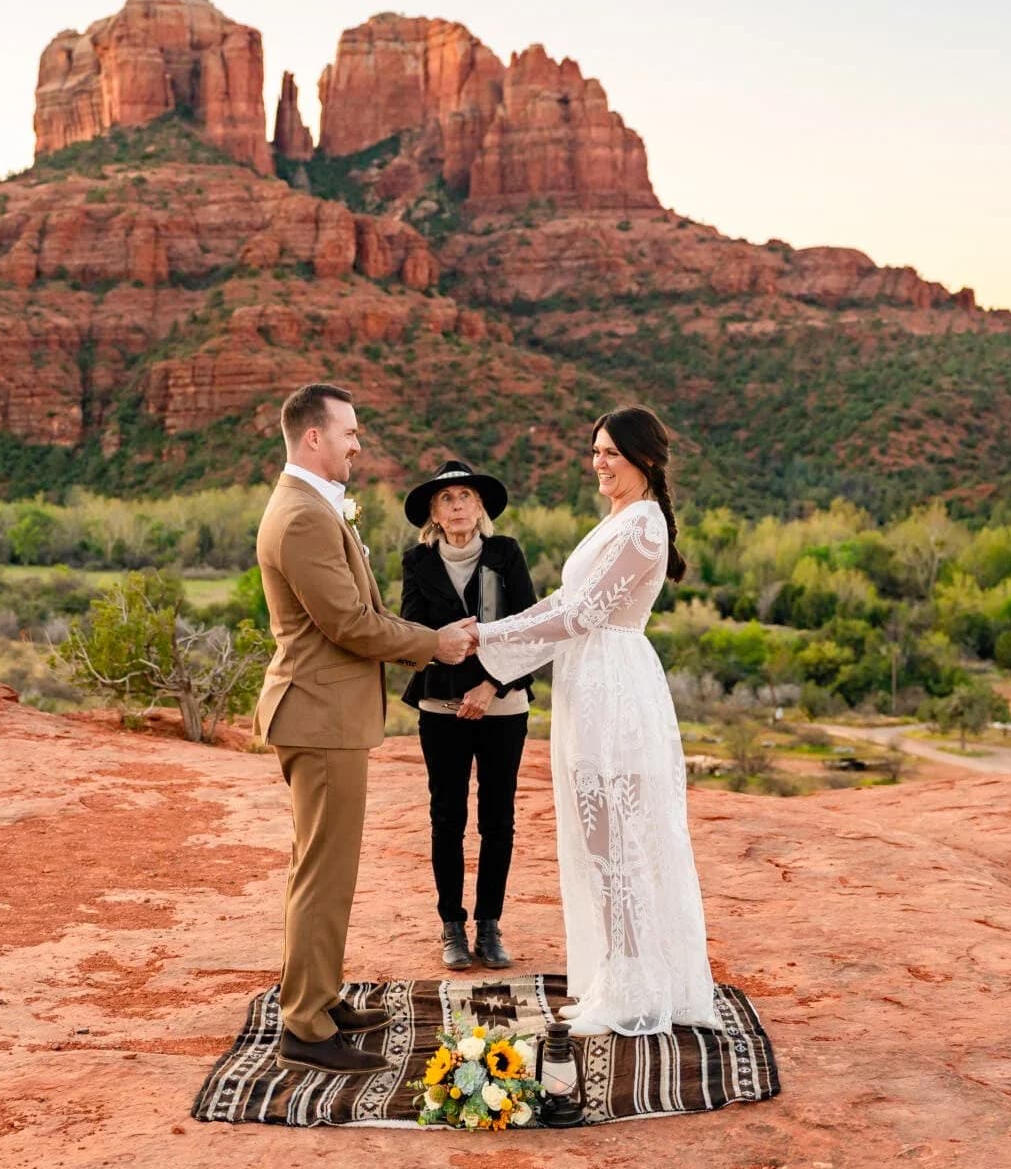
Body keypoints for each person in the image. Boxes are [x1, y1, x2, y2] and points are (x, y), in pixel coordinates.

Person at [473, 407, 719, 1037]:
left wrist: (485, 638)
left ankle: (638, 986)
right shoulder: (620, 519)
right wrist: (495, 645)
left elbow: (580, 615)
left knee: (619, 837)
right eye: (596, 452)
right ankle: (621, 975)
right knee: (600, 839)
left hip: (616, 686)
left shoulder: (643, 528)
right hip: (590, 681)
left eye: (612, 453)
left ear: (648, 460)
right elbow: (563, 604)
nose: (601, 463)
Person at [254, 383, 477, 1075]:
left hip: (325, 714)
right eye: (350, 432)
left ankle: (317, 997)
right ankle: (305, 1025)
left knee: (322, 867)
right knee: (323, 872)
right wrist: (432, 643)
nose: (358, 443)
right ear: (314, 437)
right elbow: (348, 622)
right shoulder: (301, 518)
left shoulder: (312, 509)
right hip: (319, 716)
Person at [398, 460, 538, 972]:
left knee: (498, 819)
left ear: (479, 506)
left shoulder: (506, 553)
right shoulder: (417, 561)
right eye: (446, 499)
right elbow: (411, 632)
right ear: (433, 514)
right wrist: (444, 650)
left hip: (502, 704)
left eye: (464, 497)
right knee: (447, 817)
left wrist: (490, 683)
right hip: (441, 707)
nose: (457, 506)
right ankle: (452, 928)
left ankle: (490, 925)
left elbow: (530, 628)